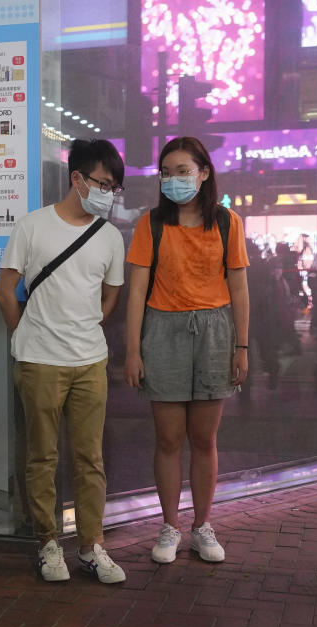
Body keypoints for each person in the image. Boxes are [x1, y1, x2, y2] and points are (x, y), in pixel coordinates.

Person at [0, 139, 127, 584]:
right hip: (39, 362)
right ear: (77, 179)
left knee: (90, 458)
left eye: (114, 187)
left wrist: (83, 327)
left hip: (90, 361)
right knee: (41, 457)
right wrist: (27, 335)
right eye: (102, 183)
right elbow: (5, 289)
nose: (108, 193)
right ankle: (48, 542)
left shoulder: (109, 236)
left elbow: (110, 297)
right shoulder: (32, 227)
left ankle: (92, 546)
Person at [124, 136, 250, 564]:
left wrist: (242, 346)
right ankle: (169, 526)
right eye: (166, 172)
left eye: (182, 171)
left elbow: (239, 287)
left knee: (204, 438)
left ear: (204, 172)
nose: (173, 179)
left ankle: (202, 526)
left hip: (216, 331)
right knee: (168, 439)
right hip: (162, 332)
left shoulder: (228, 223)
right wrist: (133, 351)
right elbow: (137, 291)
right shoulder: (151, 225)